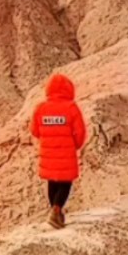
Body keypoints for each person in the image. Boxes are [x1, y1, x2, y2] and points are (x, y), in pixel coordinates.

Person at [31, 73, 88, 229]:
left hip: (48, 153)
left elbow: (34, 131)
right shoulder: (71, 108)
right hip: (66, 152)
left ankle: (55, 213)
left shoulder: (41, 108)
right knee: (65, 182)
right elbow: (80, 132)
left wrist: (47, 139)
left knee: (52, 181)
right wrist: (74, 145)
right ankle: (56, 211)